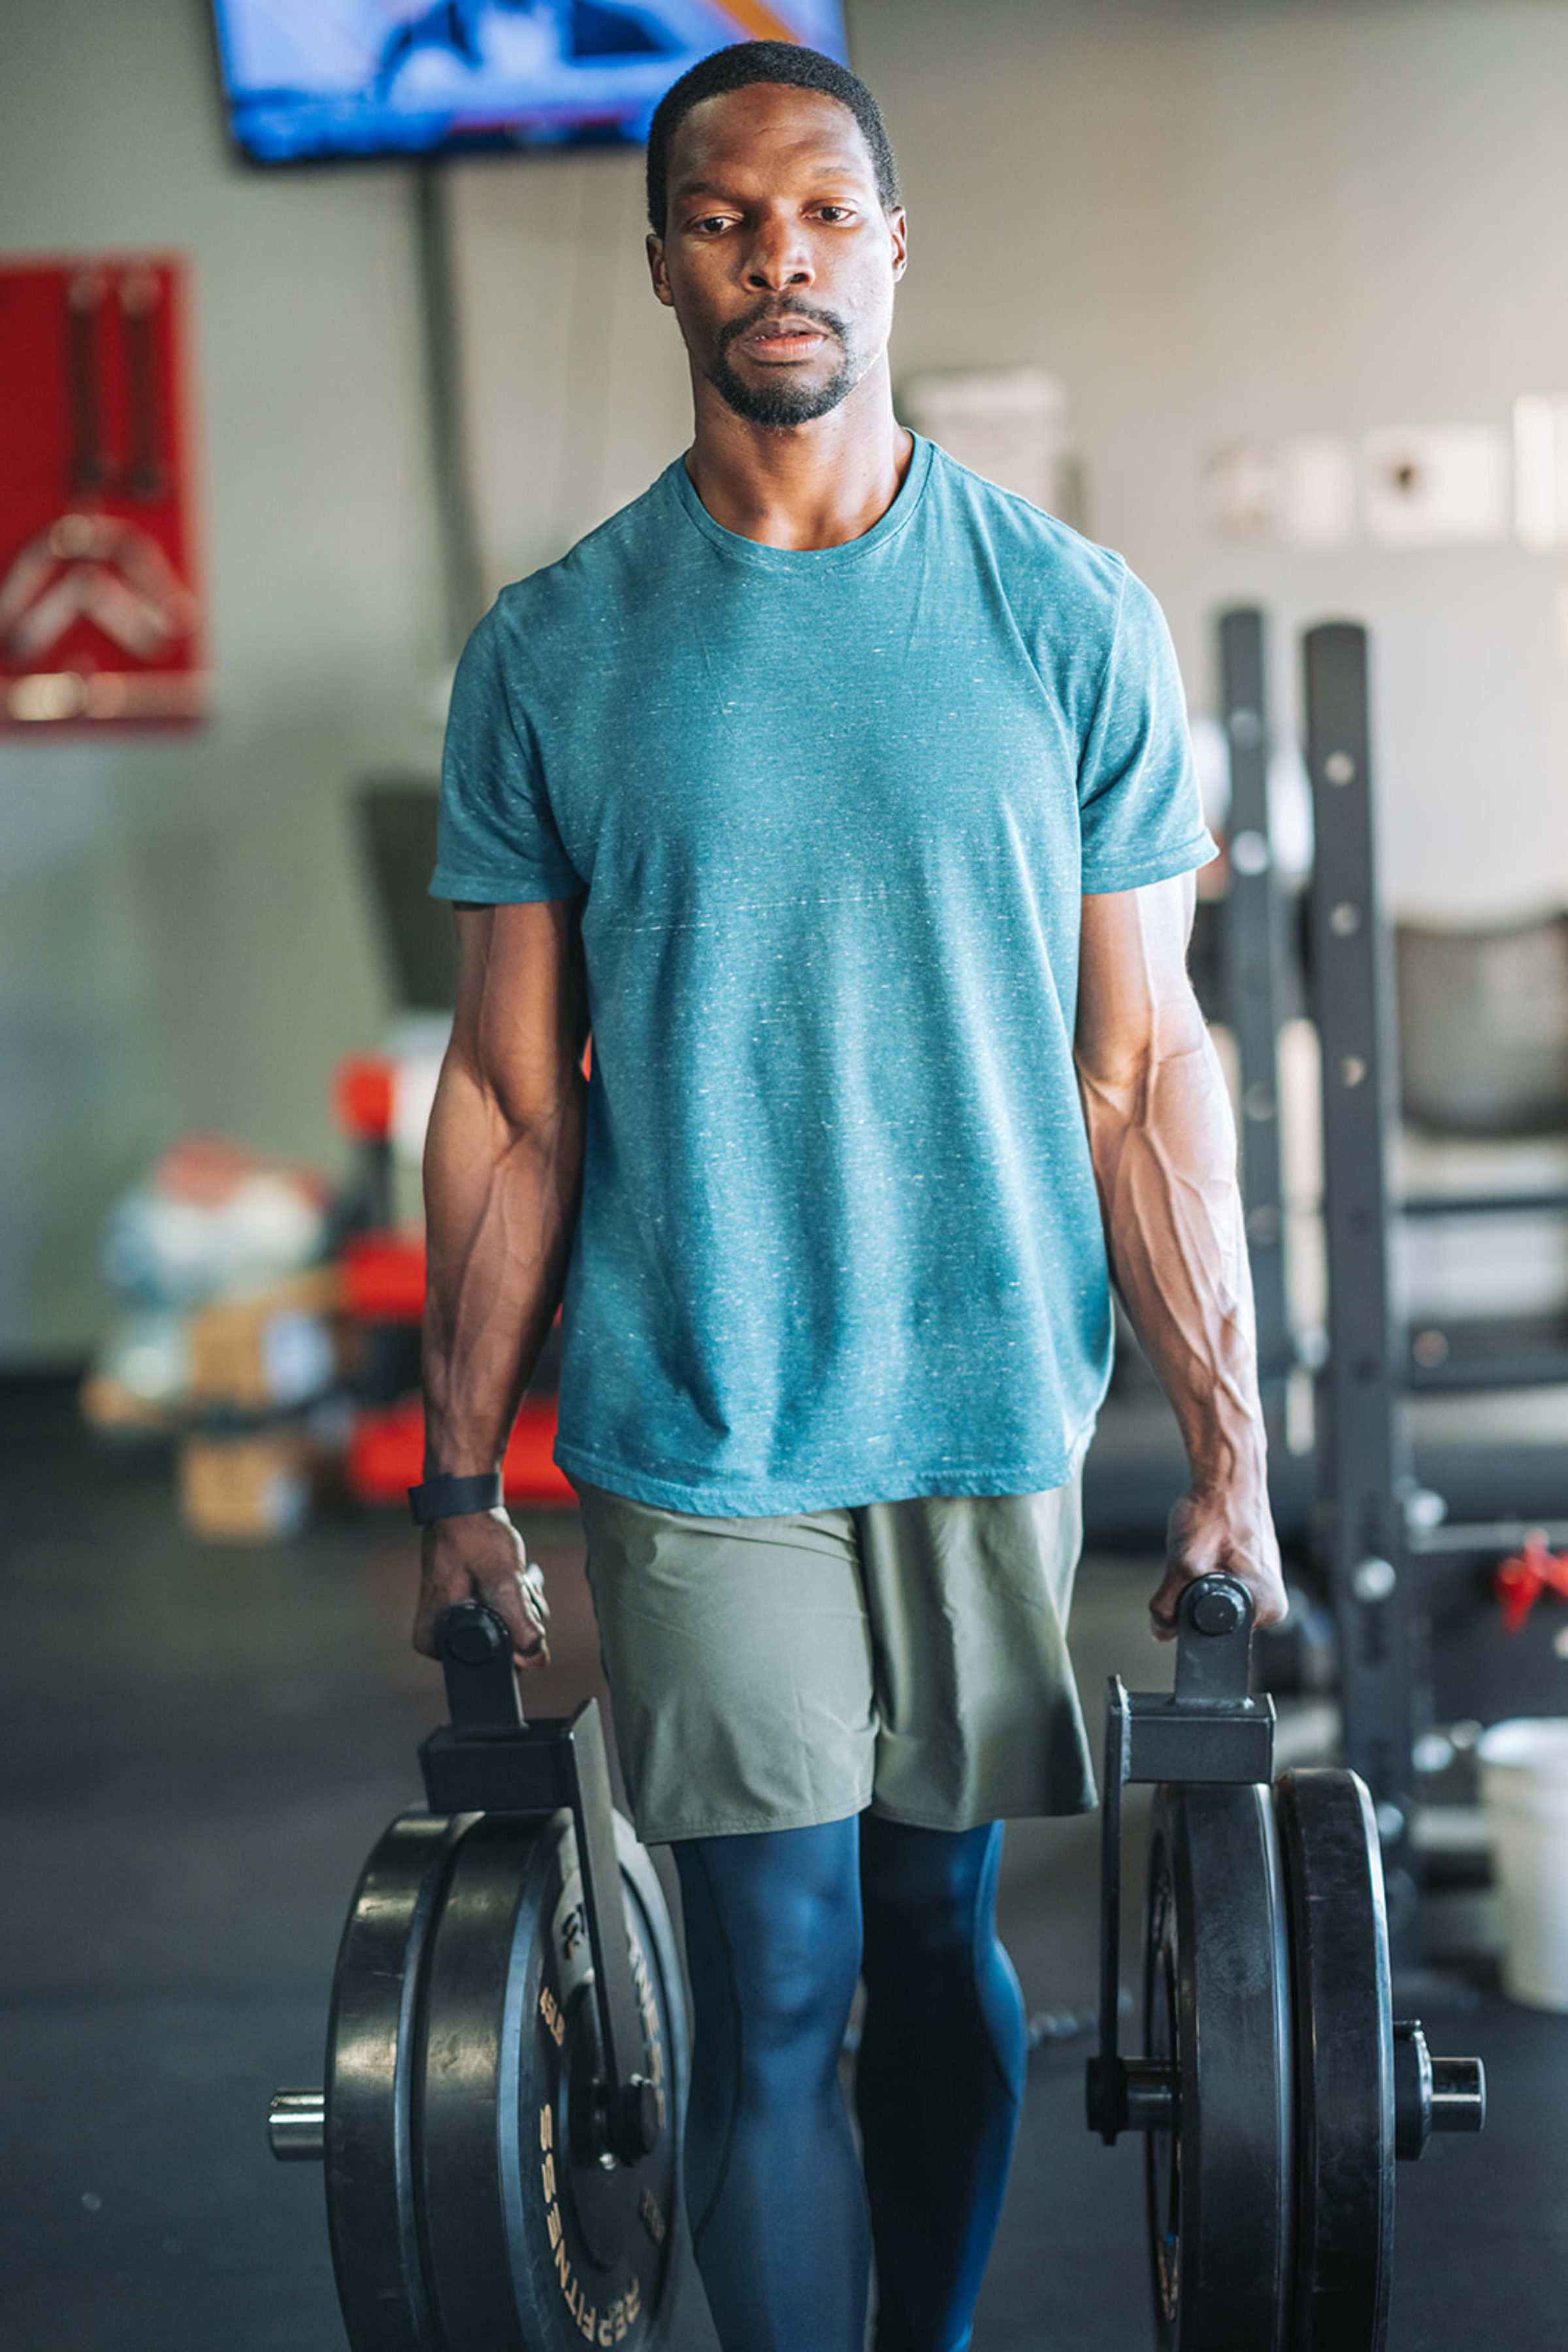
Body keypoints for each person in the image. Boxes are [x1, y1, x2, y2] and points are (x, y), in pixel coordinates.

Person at [408, 39, 1286, 2352]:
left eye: (819, 214)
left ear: (892, 250)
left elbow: (1142, 1069)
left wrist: (1233, 1448)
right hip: (703, 1411)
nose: (776, 256)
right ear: (664, 265)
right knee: (775, 1972)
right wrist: (460, 1478)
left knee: (934, 1943)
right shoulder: (556, 649)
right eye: (724, 219)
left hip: (985, 1400)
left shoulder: (1068, 615)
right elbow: (507, 1097)